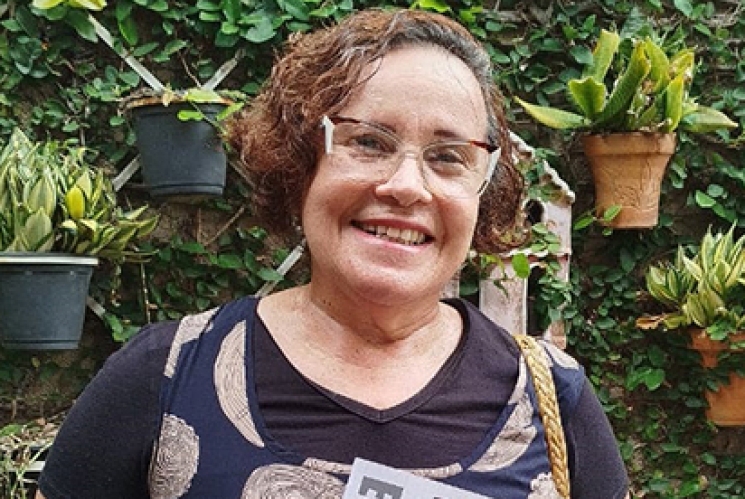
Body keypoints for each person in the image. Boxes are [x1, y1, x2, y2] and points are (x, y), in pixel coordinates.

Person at [37, 8, 629, 499]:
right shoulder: (163, 376)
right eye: (368, 141)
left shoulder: (552, 397)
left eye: (449, 156)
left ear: (484, 190)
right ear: (301, 163)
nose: (407, 186)